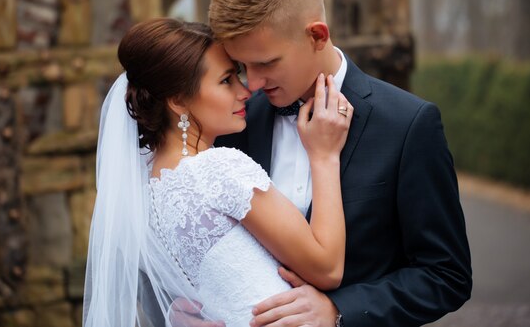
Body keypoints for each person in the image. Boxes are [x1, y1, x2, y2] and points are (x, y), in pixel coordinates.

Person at [172, 0, 472, 326]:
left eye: (265, 63)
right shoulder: (236, 123)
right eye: (242, 66)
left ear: (317, 35)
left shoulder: (409, 125)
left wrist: (339, 310)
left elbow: (447, 275)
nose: (254, 82)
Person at [82, 18, 355, 327]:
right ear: (179, 100)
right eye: (227, 81)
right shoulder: (218, 170)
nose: (246, 91)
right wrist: (324, 157)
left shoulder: (144, 192)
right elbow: (327, 268)